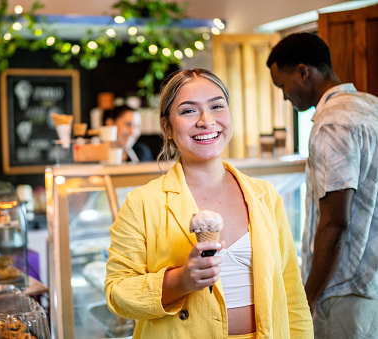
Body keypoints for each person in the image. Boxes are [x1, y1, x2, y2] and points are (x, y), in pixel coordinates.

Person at [104, 68, 313, 338]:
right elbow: (116, 293)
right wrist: (180, 281)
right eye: (189, 111)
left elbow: (291, 292)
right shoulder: (142, 203)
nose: (206, 120)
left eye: (217, 106)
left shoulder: (264, 195)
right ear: (167, 127)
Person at [267, 32, 378, 338]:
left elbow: (334, 224)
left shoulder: (332, 123)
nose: (284, 96)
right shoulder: (370, 106)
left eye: (281, 85)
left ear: (303, 72)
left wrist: (309, 296)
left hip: (345, 291)